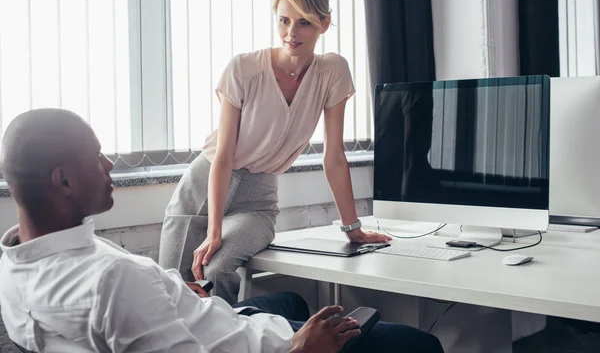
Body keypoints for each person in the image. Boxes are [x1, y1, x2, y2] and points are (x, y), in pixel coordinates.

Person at [0, 108, 445, 353]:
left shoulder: (15, 264)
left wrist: (169, 288)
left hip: (207, 319)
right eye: (96, 156)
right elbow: (119, 291)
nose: (109, 165)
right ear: (63, 181)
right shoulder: (113, 285)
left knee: (288, 298)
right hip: (257, 346)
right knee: (419, 347)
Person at [159, 0, 391, 305]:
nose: (291, 33)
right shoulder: (244, 68)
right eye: (284, 20)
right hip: (205, 188)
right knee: (171, 292)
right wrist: (213, 231)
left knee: (217, 270)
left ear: (324, 24)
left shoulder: (333, 72)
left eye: (304, 23)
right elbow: (224, 155)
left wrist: (351, 228)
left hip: (258, 199)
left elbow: (335, 157)